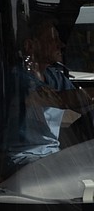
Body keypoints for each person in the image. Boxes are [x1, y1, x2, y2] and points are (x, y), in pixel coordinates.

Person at [6, 21, 94, 166]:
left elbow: (80, 104)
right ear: (30, 46)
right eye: (53, 40)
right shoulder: (18, 78)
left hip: (50, 155)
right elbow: (58, 100)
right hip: (24, 159)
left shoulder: (54, 77)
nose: (61, 45)